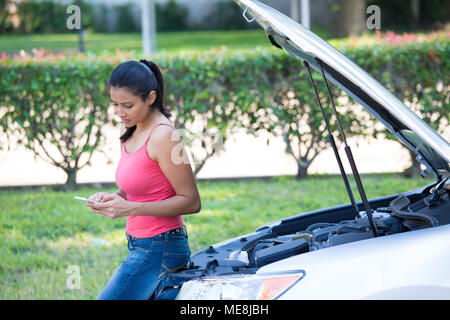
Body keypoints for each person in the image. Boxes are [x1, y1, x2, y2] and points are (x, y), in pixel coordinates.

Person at [86, 59, 201, 300]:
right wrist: (114, 198)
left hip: (162, 248)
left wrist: (130, 208)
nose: (119, 112)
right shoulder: (130, 130)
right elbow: (143, 186)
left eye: (127, 105)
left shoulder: (165, 136)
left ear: (150, 97)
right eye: (115, 104)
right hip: (140, 244)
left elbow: (191, 202)